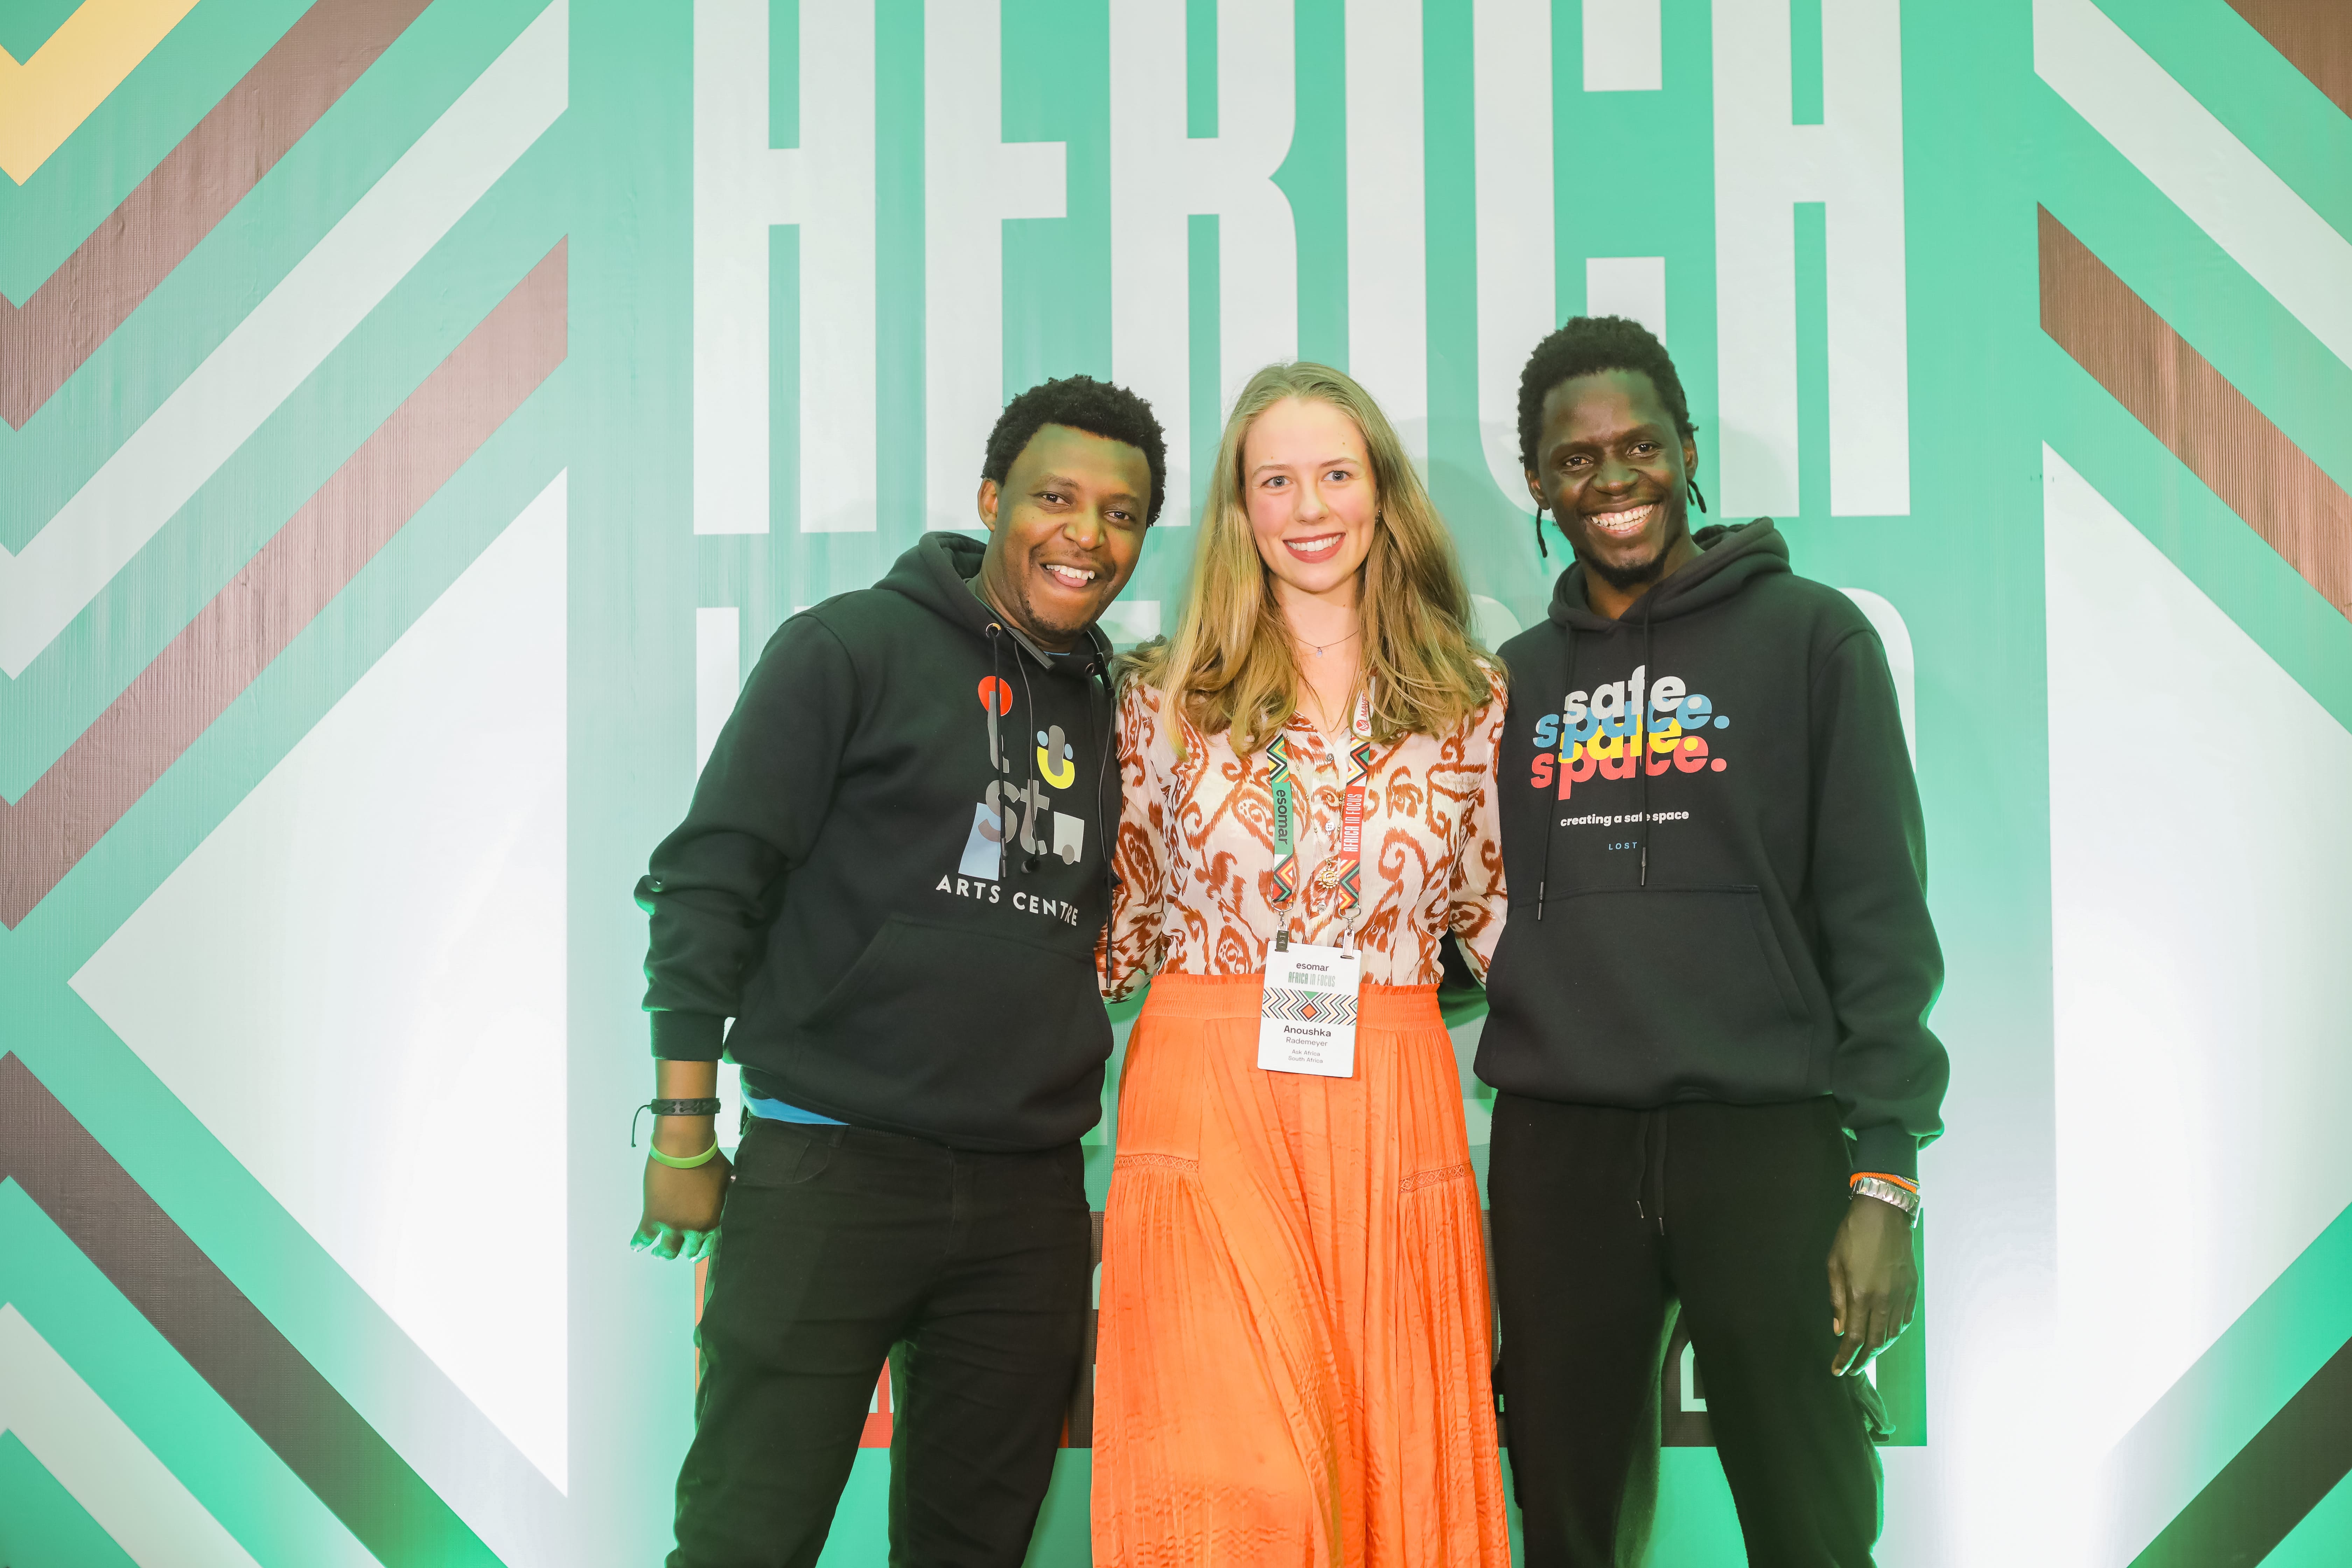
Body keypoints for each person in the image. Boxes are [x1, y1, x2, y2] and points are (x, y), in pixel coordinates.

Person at [632, 375, 1168, 1568]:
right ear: (991, 500)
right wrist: (681, 1127)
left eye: (1122, 513)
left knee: (973, 1551)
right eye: (1056, 498)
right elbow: (711, 881)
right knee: (744, 1541)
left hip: (1028, 1198)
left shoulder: (1120, 709)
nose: (1086, 535)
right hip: (830, 1171)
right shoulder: (848, 648)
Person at [1477, 315, 1948, 1567]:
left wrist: (1886, 1172)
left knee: (1810, 1518)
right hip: (1561, 1150)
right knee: (1568, 1524)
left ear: (1687, 452)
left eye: (1640, 445)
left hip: (1764, 1136)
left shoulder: (1811, 638)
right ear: (1538, 483)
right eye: (1576, 459)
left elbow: (1879, 916)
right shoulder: (1514, 683)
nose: (1613, 478)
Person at [1092, 361, 1513, 1567]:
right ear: (1240, 509)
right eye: (1275, 481)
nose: (1310, 507)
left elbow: (1498, 924)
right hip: (1208, 1095)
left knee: (1390, 1461)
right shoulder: (1160, 696)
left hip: (1394, 1099)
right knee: (1242, 1487)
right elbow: (1114, 931)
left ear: (1384, 493)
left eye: (1336, 473)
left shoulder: (1474, 701)